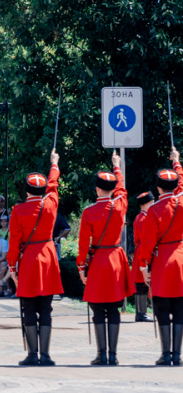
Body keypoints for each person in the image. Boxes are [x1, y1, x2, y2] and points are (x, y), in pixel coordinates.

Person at [8, 150, 63, 366]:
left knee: (28, 307)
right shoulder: (51, 203)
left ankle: (32, 355)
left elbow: (14, 244)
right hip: (48, 255)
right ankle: (46, 355)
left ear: (26, 190)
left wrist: (12, 268)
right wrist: (54, 164)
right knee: (46, 308)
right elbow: (53, 184)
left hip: (29, 258)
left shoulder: (19, 210)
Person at [77, 151, 131, 366]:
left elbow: (82, 244)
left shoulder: (89, 212)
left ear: (97, 188)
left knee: (98, 308)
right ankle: (114, 355)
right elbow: (122, 189)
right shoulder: (120, 205)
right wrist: (116, 166)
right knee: (114, 308)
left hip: (98, 259)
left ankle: (101, 355)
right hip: (116, 258)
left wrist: (81, 267)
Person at [134, 149, 183, 366]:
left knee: (162, 308)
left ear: (158, 187)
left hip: (162, 260)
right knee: (180, 309)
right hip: (181, 258)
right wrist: (177, 163)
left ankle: (165, 354)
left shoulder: (153, 210)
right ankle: (178, 355)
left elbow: (147, 244)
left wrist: (144, 267)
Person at [131, 192, 155, 322]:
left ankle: (140, 312)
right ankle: (142, 313)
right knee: (142, 284)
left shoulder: (140, 217)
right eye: (151, 202)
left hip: (141, 249)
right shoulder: (145, 218)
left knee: (142, 283)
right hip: (144, 250)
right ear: (146, 204)